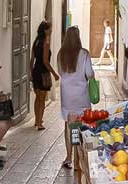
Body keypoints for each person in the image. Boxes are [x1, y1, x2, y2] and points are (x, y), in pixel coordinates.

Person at [58, 26, 95, 169]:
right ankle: (80, 158)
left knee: (68, 126)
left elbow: (61, 73)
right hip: (81, 96)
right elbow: (89, 73)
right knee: (83, 125)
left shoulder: (61, 54)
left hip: (67, 96)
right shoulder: (84, 54)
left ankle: (68, 157)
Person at [30, 21, 59, 131]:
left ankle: (37, 120)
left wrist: (30, 72)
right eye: (50, 28)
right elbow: (45, 61)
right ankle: (39, 122)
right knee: (42, 99)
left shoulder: (36, 42)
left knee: (37, 98)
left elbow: (32, 59)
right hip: (43, 72)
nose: (51, 30)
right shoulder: (45, 43)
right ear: (45, 30)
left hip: (36, 71)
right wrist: (54, 74)